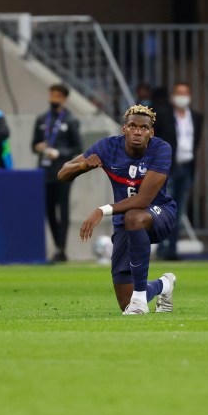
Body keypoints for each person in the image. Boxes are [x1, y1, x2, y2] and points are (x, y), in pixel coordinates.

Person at [58, 104, 177, 315]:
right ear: (124, 129)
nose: (138, 131)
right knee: (125, 303)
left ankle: (140, 300)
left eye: (144, 128)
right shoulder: (107, 147)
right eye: (132, 126)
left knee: (134, 216)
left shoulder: (161, 149)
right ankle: (163, 285)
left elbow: (143, 200)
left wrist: (101, 210)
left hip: (160, 213)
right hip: (124, 221)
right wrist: (82, 167)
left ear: (151, 133)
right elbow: (62, 174)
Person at [31, 83, 82, 262]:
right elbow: (34, 144)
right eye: (52, 95)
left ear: (64, 98)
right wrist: (39, 147)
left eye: (57, 96)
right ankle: (56, 247)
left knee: (63, 209)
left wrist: (59, 152)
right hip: (45, 171)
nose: (53, 99)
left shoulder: (70, 120)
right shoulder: (41, 119)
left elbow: (77, 147)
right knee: (49, 210)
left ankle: (62, 248)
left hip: (64, 170)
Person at [153, 81, 203, 260]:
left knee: (178, 210)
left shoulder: (196, 117)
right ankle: (161, 246)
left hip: (186, 167)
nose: (182, 97)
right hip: (168, 168)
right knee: (164, 208)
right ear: (173, 96)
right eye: (179, 93)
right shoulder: (163, 116)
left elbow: (195, 142)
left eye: (185, 93)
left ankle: (172, 249)